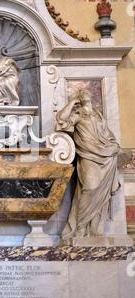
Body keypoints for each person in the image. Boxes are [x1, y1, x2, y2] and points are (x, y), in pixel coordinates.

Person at [56, 88, 120, 239]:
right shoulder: (78, 114)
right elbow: (61, 119)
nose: (84, 92)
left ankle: (92, 228)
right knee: (91, 187)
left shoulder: (98, 115)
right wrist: (72, 102)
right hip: (88, 155)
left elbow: (108, 135)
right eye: (81, 92)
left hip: (106, 156)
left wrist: (113, 146)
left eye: (86, 91)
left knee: (99, 193)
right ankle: (80, 225)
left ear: (91, 96)